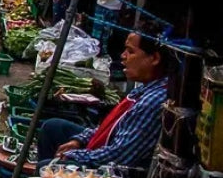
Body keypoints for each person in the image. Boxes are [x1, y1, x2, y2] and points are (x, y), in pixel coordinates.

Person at [36, 31, 173, 170]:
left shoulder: (153, 101)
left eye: (131, 51)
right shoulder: (145, 88)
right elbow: (109, 127)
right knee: (53, 127)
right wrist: (79, 140)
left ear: (155, 58)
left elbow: (119, 156)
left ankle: (50, 175)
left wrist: (73, 155)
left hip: (116, 169)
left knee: (46, 166)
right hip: (111, 145)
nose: (123, 55)